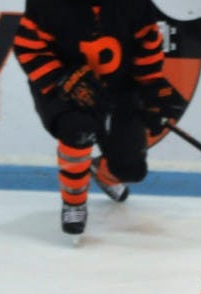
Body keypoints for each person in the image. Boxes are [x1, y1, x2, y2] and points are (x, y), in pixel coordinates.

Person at [13, 0, 186, 235]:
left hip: (120, 86)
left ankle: (101, 171)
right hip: (64, 87)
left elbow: (147, 42)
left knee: (131, 170)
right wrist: (61, 80)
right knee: (78, 129)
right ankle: (73, 200)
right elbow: (27, 47)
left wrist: (151, 87)